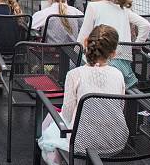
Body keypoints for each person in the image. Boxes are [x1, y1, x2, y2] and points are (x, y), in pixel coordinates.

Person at [37, 25, 127, 163]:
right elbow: (119, 108)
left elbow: (67, 114)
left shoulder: (74, 75)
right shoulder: (118, 74)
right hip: (117, 141)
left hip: (81, 144)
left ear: (86, 43)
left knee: (53, 122)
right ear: (113, 53)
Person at [76, 0, 150, 89]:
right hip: (122, 64)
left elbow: (82, 38)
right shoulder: (123, 9)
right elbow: (145, 25)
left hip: (99, 60)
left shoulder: (93, 7)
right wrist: (135, 46)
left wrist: (76, 54)